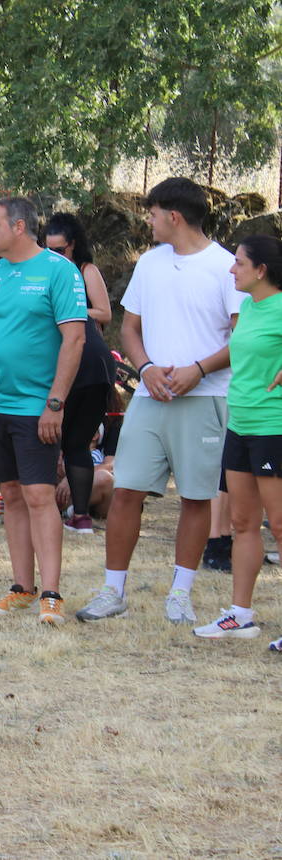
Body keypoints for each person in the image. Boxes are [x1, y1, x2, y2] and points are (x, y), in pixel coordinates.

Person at [75, 177, 243, 625]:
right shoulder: (149, 264)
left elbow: (241, 335)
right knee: (126, 489)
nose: (146, 221)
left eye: (152, 213)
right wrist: (147, 369)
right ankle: (113, 590)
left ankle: (181, 595)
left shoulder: (226, 266)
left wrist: (198, 370)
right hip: (150, 398)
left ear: (173, 216)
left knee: (195, 496)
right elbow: (129, 328)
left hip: (206, 397)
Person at [0, 197, 87, 626]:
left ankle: (51, 594)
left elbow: (75, 340)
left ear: (19, 226)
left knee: (38, 494)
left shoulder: (59, 271)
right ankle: (21, 588)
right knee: (10, 495)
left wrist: (55, 403)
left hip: (36, 407)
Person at [191, 236, 282, 643]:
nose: (232, 270)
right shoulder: (249, 306)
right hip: (240, 424)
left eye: (240, 263)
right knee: (243, 523)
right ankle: (241, 615)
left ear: (261, 270)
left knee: (279, 524)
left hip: (273, 427)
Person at [43, 212, 115, 534]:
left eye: (60, 250)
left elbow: (105, 312)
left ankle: (75, 512)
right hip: (73, 357)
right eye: (49, 249)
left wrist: (69, 311)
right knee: (69, 442)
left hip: (84, 358)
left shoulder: (86, 271)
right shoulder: (47, 273)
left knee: (70, 440)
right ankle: (77, 514)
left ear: (74, 245)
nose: (54, 256)